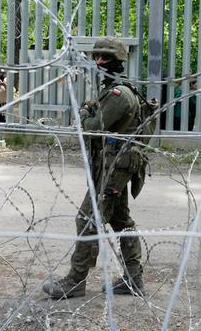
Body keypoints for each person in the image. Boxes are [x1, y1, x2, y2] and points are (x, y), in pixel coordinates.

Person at [43, 37, 146, 299]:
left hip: (115, 167)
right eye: (97, 57)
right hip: (112, 165)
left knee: (88, 218)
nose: (99, 62)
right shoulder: (113, 90)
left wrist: (85, 111)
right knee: (121, 220)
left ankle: (76, 281)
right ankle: (134, 279)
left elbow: (91, 127)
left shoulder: (119, 94)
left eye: (105, 58)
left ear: (118, 61)